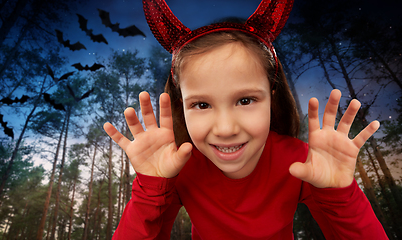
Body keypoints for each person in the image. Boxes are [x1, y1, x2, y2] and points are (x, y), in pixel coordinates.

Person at [103, 0, 389, 239]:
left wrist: (340, 194)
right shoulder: (177, 168)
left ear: (271, 96)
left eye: (245, 100)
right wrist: (151, 189)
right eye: (202, 104)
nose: (226, 129)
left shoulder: (302, 162)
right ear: (182, 107)